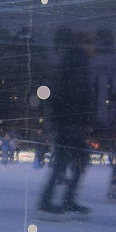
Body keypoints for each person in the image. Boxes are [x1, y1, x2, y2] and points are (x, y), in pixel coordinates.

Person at [38, 32, 95, 218]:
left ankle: (63, 200)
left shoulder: (76, 62)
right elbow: (77, 94)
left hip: (69, 120)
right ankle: (48, 202)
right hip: (71, 121)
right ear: (83, 43)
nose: (94, 48)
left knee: (75, 162)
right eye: (91, 43)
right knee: (66, 162)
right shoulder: (77, 62)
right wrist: (81, 118)